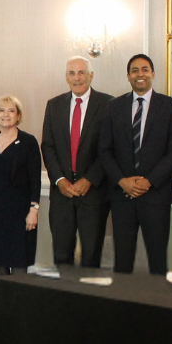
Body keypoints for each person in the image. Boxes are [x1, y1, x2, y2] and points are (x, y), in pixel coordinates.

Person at [99, 53, 172, 275]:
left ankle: (158, 298)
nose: (140, 74)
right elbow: (104, 150)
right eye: (134, 70)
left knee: (158, 260)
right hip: (122, 196)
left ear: (153, 74)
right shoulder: (114, 106)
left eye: (145, 69)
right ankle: (124, 298)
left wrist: (149, 181)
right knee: (122, 261)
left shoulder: (170, 106)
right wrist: (122, 181)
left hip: (156, 195)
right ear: (128, 76)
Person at [40, 56, 113, 267]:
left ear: (91, 76)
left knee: (91, 256)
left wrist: (89, 179)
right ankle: (65, 290)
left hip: (94, 193)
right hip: (62, 194)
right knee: (62, 255)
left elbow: (110, 148)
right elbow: (48, 146)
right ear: (66, 77)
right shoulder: (54, 105)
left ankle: (87, 290)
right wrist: (59, 180)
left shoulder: (108, 104)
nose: (77, 78)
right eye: (72, 73)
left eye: (81, 72)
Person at [0, 96, 41, 274]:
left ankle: (19, 295)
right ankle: (2, 294)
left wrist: (34, 210)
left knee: (19, 260)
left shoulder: (28, 142)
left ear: (18, 115)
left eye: (11, 110)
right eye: (1, 110)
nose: (5, 114)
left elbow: (35, 179)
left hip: (20, 210)